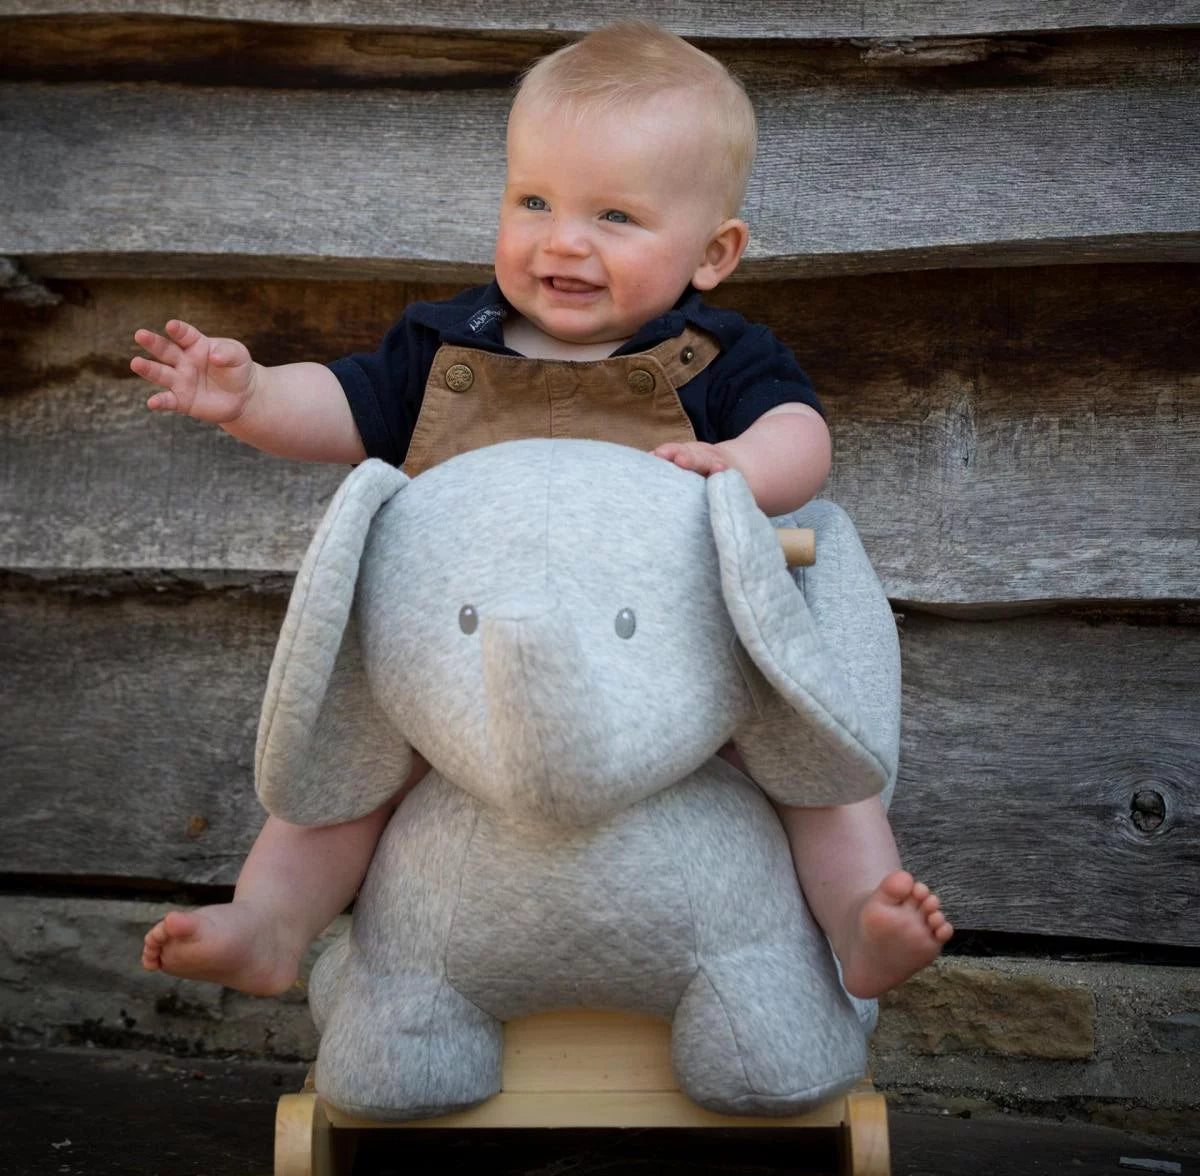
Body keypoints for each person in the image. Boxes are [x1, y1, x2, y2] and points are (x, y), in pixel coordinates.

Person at [134, 21, 951, 1003]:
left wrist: (739, 464)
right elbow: (350, 408)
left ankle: (861, 920)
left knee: (808, 759)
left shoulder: (718, 356)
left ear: (713, 252)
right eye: (534, 201)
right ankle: (273, 923)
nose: (562, 240)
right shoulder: (447, 345)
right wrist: (255, 395)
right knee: (352, 767)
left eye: (614, 216)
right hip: (468, 662)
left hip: (673, 660)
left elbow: (802, 436)